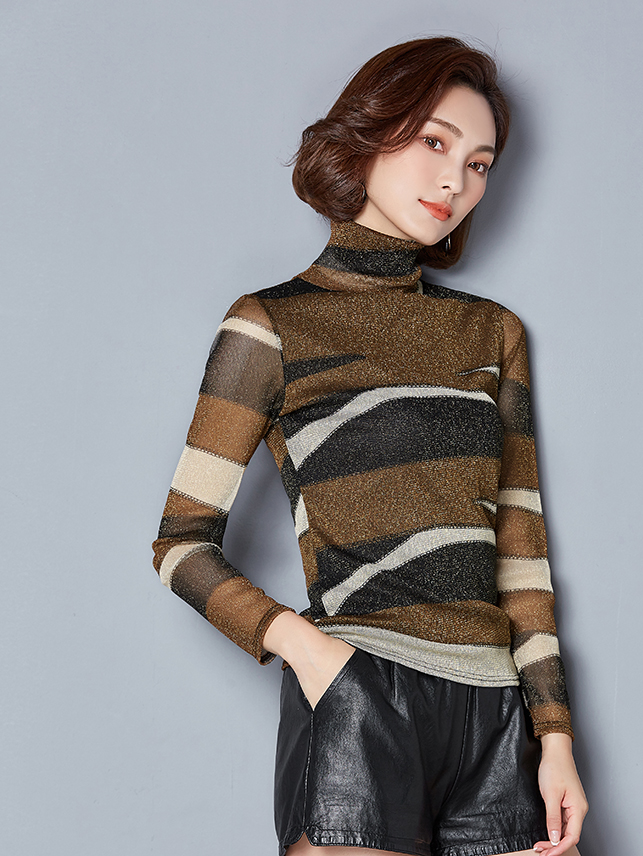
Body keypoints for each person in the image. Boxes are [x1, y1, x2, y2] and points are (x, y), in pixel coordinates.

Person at [153, 36, 588, 856]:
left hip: (498, 722)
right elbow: (180, 544)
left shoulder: (492, 333)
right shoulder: (271, 325)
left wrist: (555, 736)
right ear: (371, 131)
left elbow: (520, 555)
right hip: (361, 693)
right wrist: (309, 652)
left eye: (480, 164)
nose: (457, 182)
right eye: (435, 142)